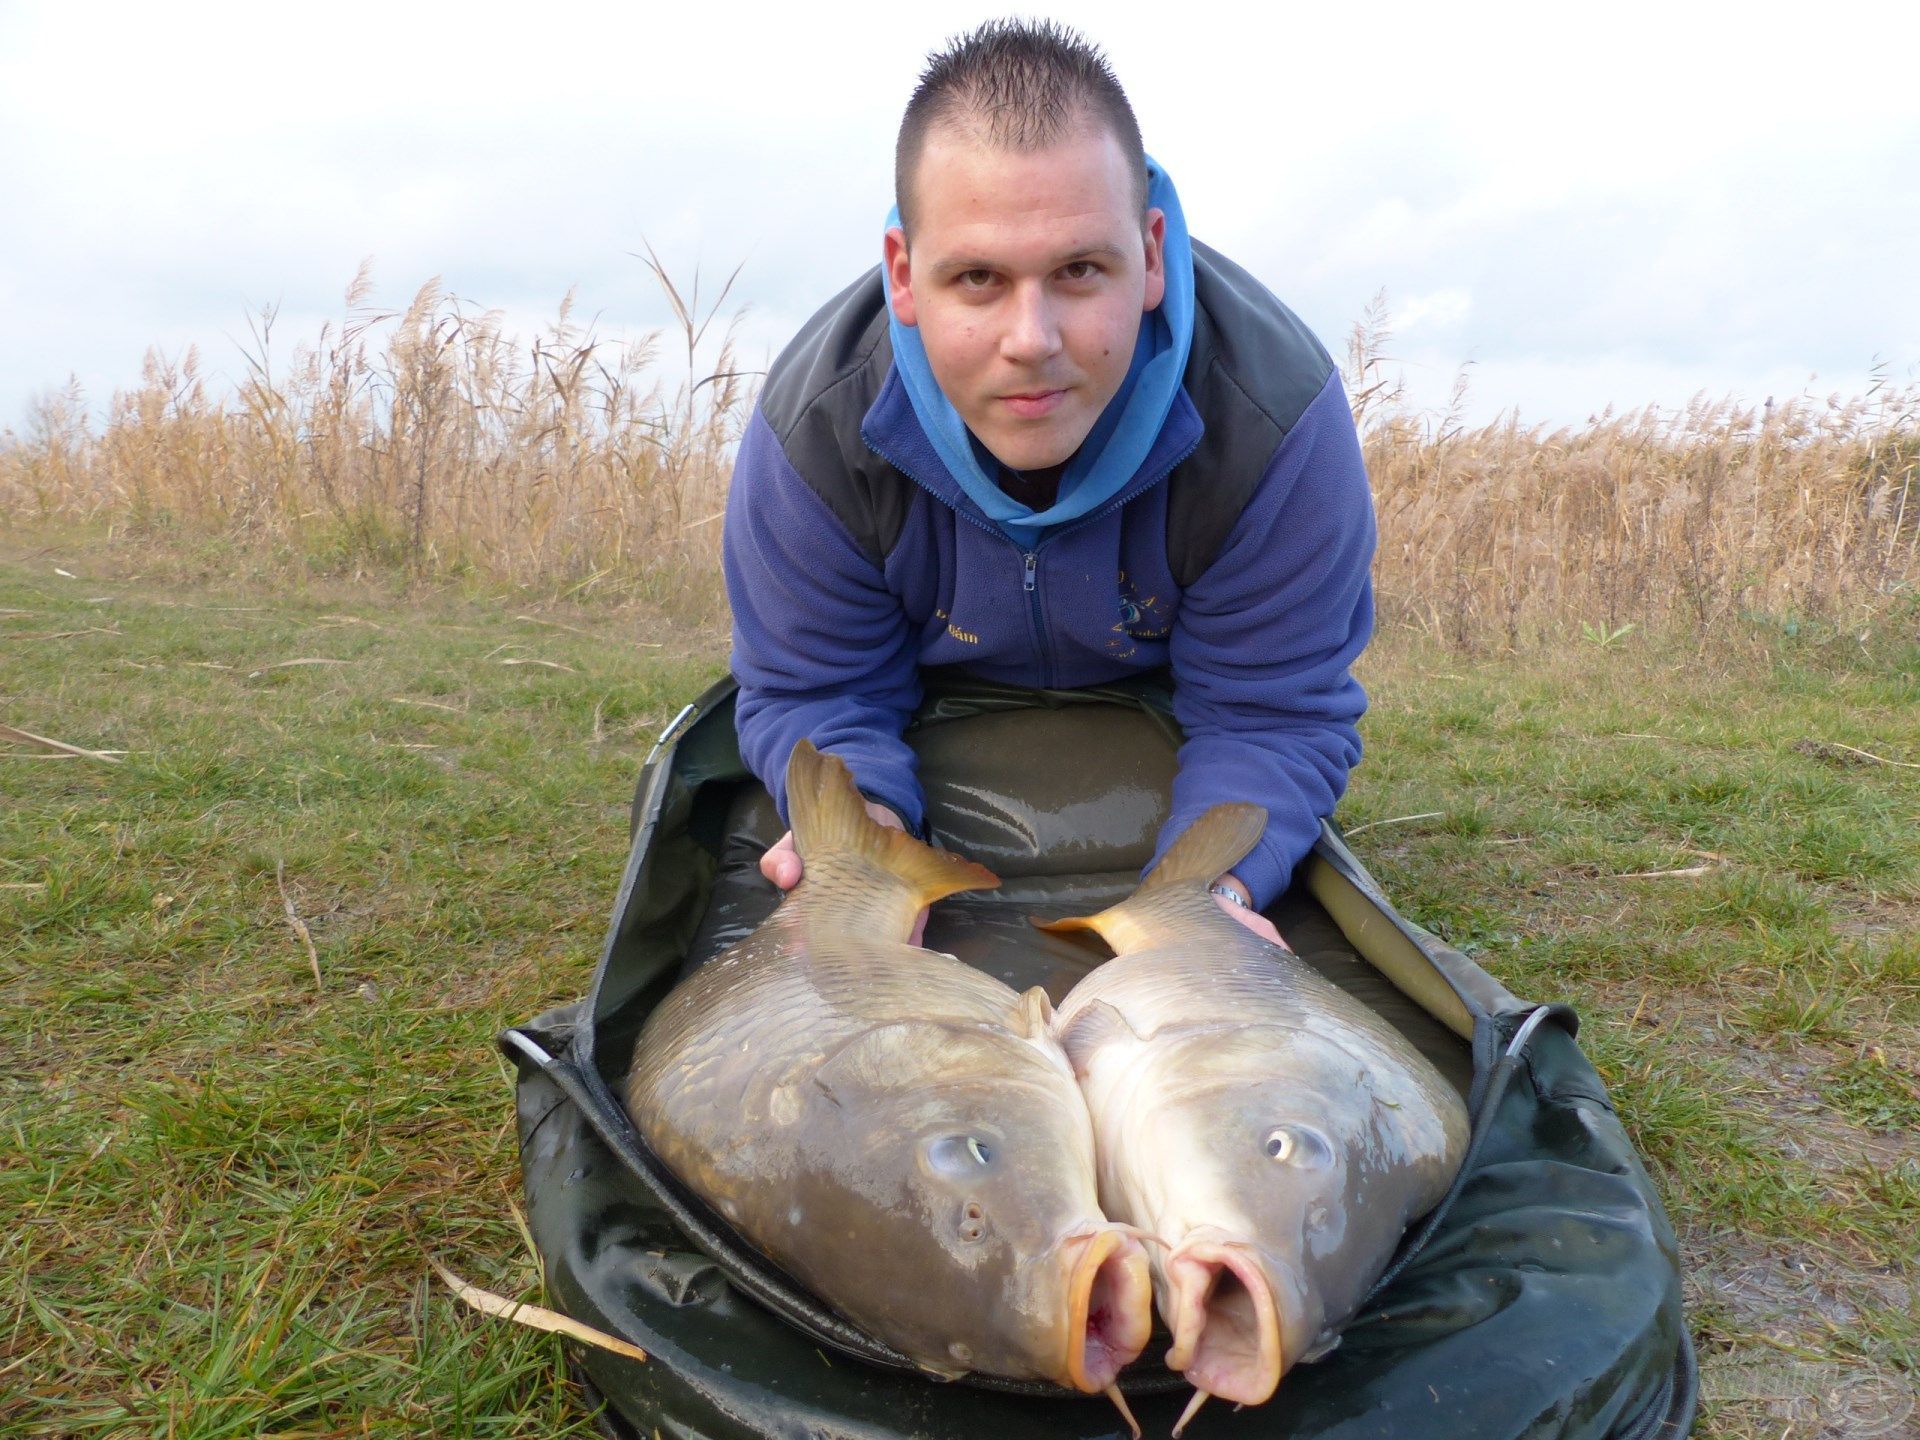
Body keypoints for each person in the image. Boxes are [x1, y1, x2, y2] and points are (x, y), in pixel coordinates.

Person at [722, 19, 1375, 948]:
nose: (1032, 339)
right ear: (905, 276)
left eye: (1078, 269)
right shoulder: (814, 430)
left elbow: (1267, 714)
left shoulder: (1274, 420)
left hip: (1171, 713)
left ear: (1150, 255)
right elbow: (820, 688)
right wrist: (863, 835)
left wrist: (1213, 903)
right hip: (926, 703)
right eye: (979, 278)